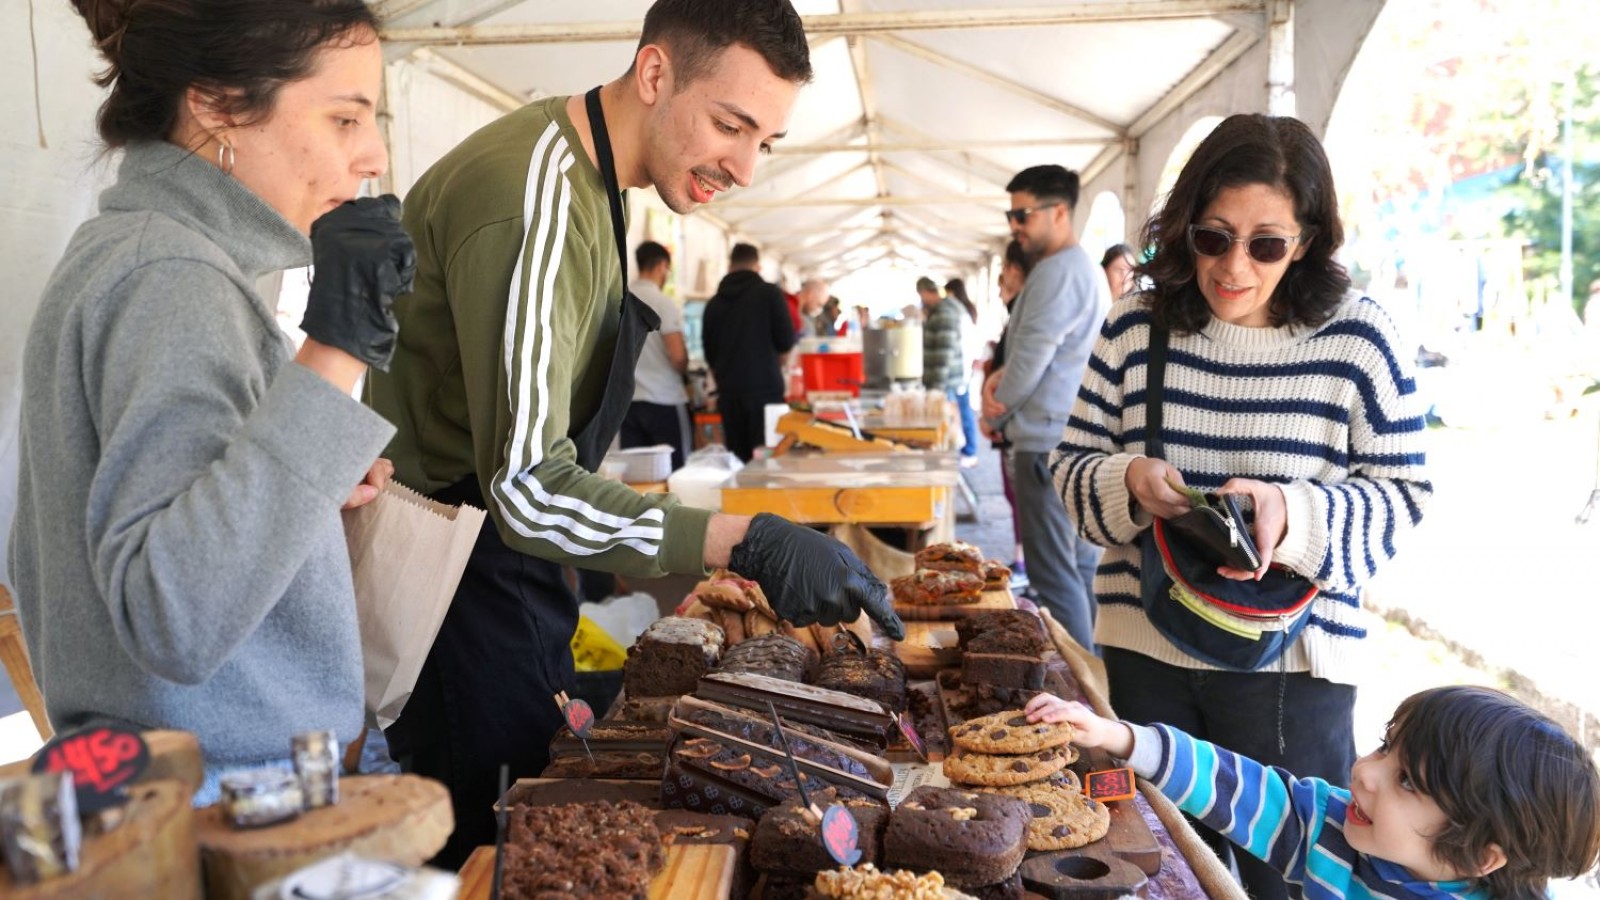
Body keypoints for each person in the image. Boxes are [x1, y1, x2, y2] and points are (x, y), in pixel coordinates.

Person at [364, 0, 902, 867]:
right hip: (457, 580)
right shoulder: (533, 197)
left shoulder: (602, 182)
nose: (747, 168)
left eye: (766, 141)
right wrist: (745, 542)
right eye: (730, 125)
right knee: (492, 846)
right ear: (654, 74)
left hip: (508, 564)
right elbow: (530, 487)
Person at [11, 0, 409, 799]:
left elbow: (134, 543)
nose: (372, 155)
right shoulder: (171, 278)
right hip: (232, 809)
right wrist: (334, 354)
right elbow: (177, 614)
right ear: (219, 103)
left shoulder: (143, 254)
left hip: (188, 790)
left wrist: (305, 490)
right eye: (343, 119)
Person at [1049, 114, 1432, 900]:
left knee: (1288, 884)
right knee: (1149, 869)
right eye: (1212, 237)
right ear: (1183, 226)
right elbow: (1070, 471)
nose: (1233, 266)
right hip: (1145, 653)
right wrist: (1127, 480)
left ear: (1310, 240)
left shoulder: (1359, 338)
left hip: (1292, 672)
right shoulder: (1134, 326)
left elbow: (1404, 495)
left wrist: (1291, 515)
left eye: (1267, 244)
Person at [1025, 686, 1600, 899]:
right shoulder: (1326, 829)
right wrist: (1121, 738)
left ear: (1479, 856)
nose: (1365, 773)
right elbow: (1232, 783)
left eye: (1406, 780)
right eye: (1383, 746)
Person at [981, 165, 1105, 651]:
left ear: (1059, 212)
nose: (1014, 225)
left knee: (1055, 576)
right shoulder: (1078, 268)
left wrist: (995, 411)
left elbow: (1030, 358)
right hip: (1068, 437)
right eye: (1010, 214)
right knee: (1076, 569)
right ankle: (1098, 685)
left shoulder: (1059, 271)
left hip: (1046, 442)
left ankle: (1082, 692)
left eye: (1022, 214)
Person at [702, 242, 797, 462]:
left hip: (730, 395)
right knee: (770, 459)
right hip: (766, 394)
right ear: (757, 266)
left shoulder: (714, 304)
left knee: (737, 463)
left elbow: (710, 355)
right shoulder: (770, 294)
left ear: (729, 266)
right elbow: (786, 341)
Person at [978, 241, 1034, 583]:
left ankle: (1026, 563)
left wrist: (993, 417)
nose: (1001, 287)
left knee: (1022, 500)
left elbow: (1021, 368)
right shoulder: (1022, 311)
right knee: (1017, 499)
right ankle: (1024, 559)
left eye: (1004, 276)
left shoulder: (1025, 310)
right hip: (1012, 424)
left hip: (1017, 425)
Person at [620, 240, 690, 470]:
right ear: (661, 266)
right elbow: (677, 355)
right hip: (664, 399)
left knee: (637, 478)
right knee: (675, 473)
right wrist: (686, 372)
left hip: (628, 402)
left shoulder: (620, 299)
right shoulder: (663, 303)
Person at [918, 276, 977, 465]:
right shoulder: (942, 310)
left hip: (947, 379)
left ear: (927, 292)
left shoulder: (944, 313)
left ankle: (958, 455)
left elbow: (944, 351)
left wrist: (937, 386)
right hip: (952, 377)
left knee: (951, 419)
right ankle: (963, 452)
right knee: (960, 414)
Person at [944, 277, 982, 468]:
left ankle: (968, 449)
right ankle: (968, 449)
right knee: (964, 410)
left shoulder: (959, 312)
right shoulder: (968, 310)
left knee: (962, 410)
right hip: (965, 368)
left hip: (960, 370)